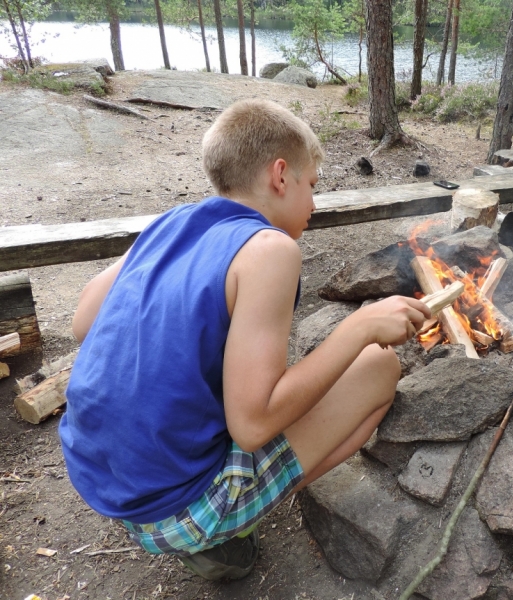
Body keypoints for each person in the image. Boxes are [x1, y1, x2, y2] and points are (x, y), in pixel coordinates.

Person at [59, 98, 431, 581]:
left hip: (97, 474)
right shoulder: (271, 249)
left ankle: (219, 515)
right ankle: (225, 532)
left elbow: (84, 320)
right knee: (379, 369)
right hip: (168, 511)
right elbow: (252, 426)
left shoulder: (173, 222)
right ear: (281, 176)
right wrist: (358, 328)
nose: (314, 205)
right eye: (311, 185)